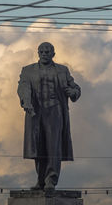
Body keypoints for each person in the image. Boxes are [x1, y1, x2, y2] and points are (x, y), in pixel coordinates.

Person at [17, 42, 81, 191]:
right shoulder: (27, 70)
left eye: (47, 52)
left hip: (55, 111)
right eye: (42, 52)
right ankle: (40, 181)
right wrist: (26, 101)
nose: (44, 54)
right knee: (38, 148)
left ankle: (51, 180)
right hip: (36, 112)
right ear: (38, 53)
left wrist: (74, 93)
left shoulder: (62, 70)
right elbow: (23, 86)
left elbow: (75, 87)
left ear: (53, 54)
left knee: (53, 147)